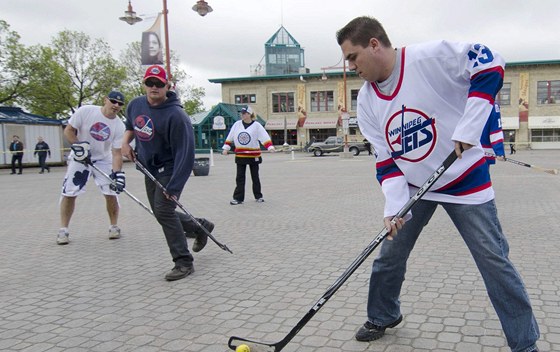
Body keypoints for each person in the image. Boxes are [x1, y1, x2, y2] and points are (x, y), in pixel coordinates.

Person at [336, 16, 539, 352]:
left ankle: (525, 342)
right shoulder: (367, 101)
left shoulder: (429, 59)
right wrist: (393, 207)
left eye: (353, 57)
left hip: (465, 179)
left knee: (494, 260)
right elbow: (386, 161)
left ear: (374, 44)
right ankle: (383, 315)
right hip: (416, 187)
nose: (351, 65)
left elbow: (489, 61)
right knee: (389, 256)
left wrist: (470, 126)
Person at [122, 65, 214, 281]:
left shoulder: (176, 115)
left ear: (167, 86)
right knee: (159, 212)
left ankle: (183, 262)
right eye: (150, 83)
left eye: (159, 84)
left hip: (170, 168)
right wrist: (125, 143)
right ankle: (201, 226)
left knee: (164, 211)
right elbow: (130, 126)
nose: (154, 87)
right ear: (144, 84)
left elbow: (186, 154)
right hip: (148, 166)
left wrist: (174, 187)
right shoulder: (136, 104)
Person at [57, 90, 127, 245]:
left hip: (103, 158)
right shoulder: (86, 111)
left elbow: (116, 153)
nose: (116, 105)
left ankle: (114, 226)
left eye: (120, 104)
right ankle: (63, 230)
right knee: (70, 191)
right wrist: (77, 146)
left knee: (111, 192)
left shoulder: (119, 126)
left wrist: (117, 174)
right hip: (80, 157)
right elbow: (69, 130)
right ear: (105, 100)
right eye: (113, 101)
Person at [222, 106, 276, 205]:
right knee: (240, 177)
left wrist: (270, 147)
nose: (242, 115)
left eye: (244, 113)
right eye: (241, 113)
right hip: (241, 155)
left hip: (253, 155)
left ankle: (258, 196)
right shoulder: (237, 125)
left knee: (255, 177)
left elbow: (264, 137)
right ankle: (238, 198)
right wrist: (226, 148)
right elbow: (230, 136)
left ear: (249, 114)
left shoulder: (257, 125)